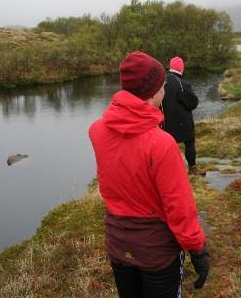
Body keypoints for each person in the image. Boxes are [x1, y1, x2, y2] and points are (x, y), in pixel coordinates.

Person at [89, 51, 209, 297]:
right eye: (163, 85)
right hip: (157, 251)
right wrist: (197, 250)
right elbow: (179, 207)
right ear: (154, 92)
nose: (165, 89)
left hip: (118, 243)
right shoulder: (161, 144)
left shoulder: (97, 130)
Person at [162, 56, 199, 174]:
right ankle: (192, 168)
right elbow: (192, 103)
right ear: (181, 68)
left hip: (164, 122)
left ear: (170, 67)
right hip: (182, 122)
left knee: (165, 146)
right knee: (189, 142)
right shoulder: (183, 84)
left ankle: (166, 170)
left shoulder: (162, 81)